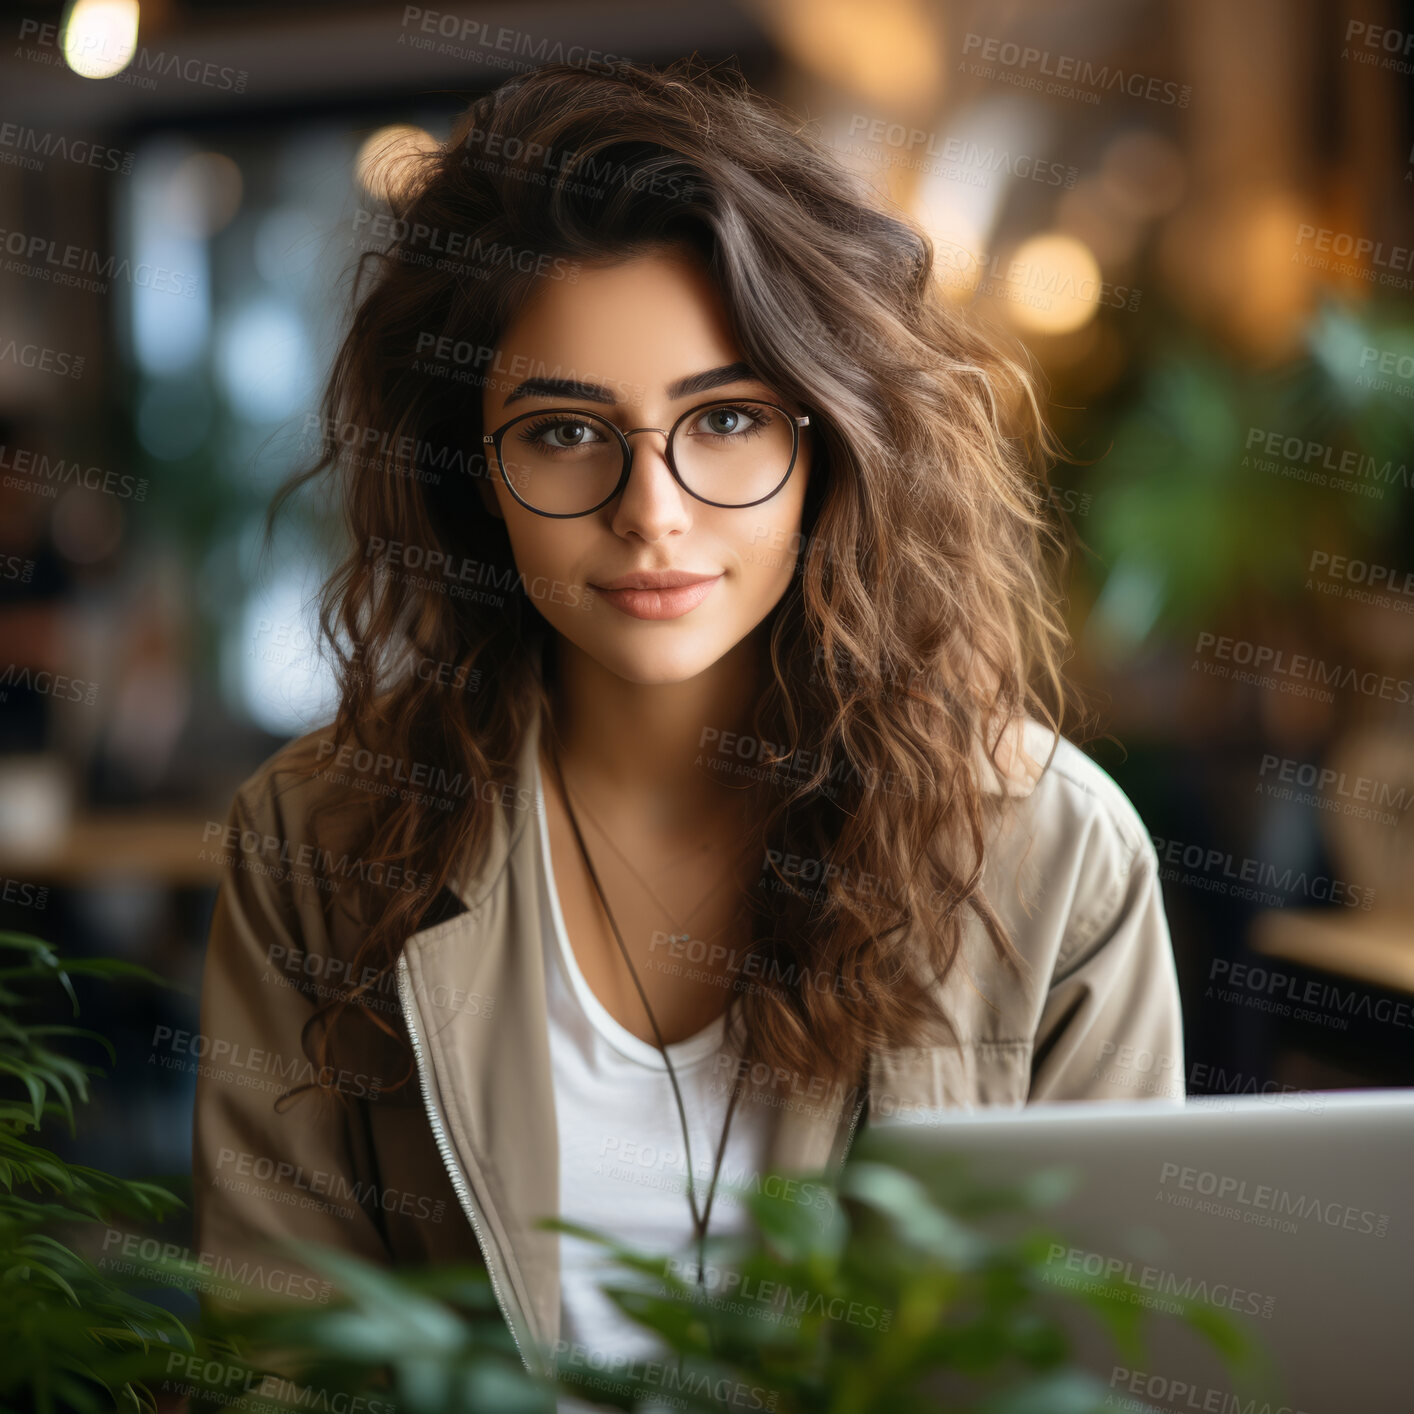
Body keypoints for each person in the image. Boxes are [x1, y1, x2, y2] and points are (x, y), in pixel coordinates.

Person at [191, 56, 1184, 1399]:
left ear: (827, 440)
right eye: (561, 432)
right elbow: (282, 1356)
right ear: (467, 473)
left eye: (722, 419)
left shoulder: (1053, 850)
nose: (650, 509)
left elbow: (1103, 1366)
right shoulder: (317, 838)